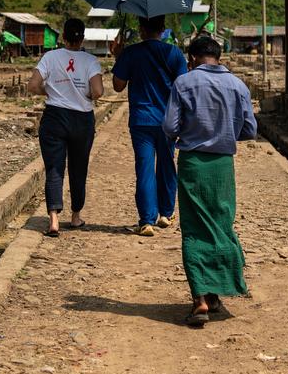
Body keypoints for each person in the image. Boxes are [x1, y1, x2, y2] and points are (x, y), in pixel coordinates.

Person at [162, 35, 257, 326]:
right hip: (222, 167)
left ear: (192, 58)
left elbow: (169, 126)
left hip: (193, 163)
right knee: (220, 224)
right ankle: (217, 292)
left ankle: (201, 299)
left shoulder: (184, 83)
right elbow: (250, 129)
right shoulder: (237, 85)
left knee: (194, 228)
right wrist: (226, 132)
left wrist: (189, 133)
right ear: (219, 57)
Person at [110, 15, 188, 236]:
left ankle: (146, 221)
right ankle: (166, 212)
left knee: (144, 168)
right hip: (168, 120)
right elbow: (183, 86)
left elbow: (117, 86)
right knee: (167, 165)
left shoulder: (131, 53)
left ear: (141, 29)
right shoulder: (174, 53)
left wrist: (118, 56)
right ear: (163, 29)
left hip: (141, 120)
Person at [27, 18, 104, 237]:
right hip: (82, 120)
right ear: (83, 38)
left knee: (54, 168)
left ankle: (53, 220)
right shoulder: (90, 61)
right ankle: (76, 216)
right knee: (79, 168)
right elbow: (98, 91)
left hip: (54, 118)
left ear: (63, 37)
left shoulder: (50, 57)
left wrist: (48, 91)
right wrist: (86, 94)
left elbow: (33, 85)